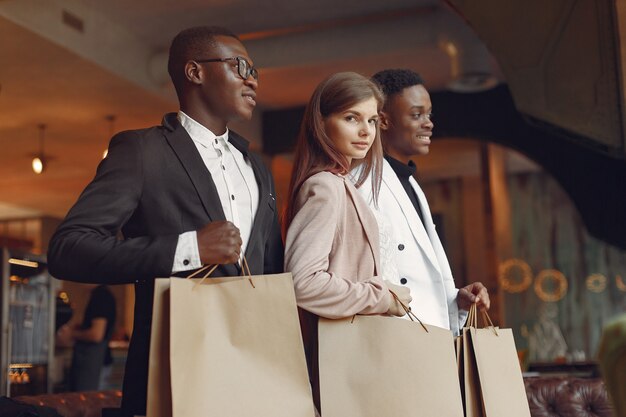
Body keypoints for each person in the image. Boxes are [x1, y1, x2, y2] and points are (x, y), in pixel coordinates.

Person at [47, 26, 283, 416]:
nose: (251, 79)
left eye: (254, 70)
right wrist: (189, 248)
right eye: (240, 66)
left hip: (254, 371)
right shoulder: (142, 151)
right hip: (172, 368)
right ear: (195, 72)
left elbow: (272, 269)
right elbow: (68, 248)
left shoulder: (256, 167)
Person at [283, 72, 412, 411]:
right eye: (351, 118)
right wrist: (380, 296)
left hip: (356, 353)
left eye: (371, 120)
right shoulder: (324, 186)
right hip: (340, 355)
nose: (366, 131)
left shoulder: (342, 184)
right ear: (321, 124)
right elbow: (302, 283)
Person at [356, 68, 489, 336]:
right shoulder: (357, 183)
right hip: (392, 340)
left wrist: (455, 300)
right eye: (416, 115)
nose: (428, 123)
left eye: (429, 114)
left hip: (427, 338)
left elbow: (417, 273)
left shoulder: (412, 183)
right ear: (383, 120)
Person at [57, 284, 116, 391]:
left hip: (96, 363)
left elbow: (96, 335)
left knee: (91, 400)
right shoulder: (99, 295)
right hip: (94, 361)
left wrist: (72, 334)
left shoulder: (101, 296)